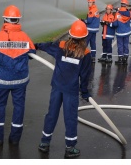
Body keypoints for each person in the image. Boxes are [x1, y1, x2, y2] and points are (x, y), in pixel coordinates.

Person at [36, 20, 92, 159]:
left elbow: (47, 46)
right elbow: (85, 76)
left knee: (51, 115)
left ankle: (44, 142)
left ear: (70, 34)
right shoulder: (85, 53)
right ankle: (70, 147)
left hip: (57, 87)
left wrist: (35, 46)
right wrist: (84, 92)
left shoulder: (61, 46)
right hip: (70, 91)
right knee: (70, 118)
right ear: (85, 37)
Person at [0, 5, 36, 147]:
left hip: (2, 81)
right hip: (20, 81)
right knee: (19, 107)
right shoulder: (24, 36)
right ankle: (15, 139)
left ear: (5, 19)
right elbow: (32, 54)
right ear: (18, 20)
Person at [113, 0, 131, 64]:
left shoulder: (117, 14)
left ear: (121, 4)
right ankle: (125, 57)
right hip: (127, 32)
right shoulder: (129, 13)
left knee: (120, 45)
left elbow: (115, 24)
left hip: (119, 32)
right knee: (126, 45)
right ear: (126, 5)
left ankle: (120, 59)